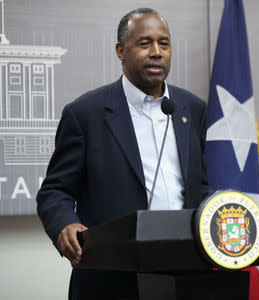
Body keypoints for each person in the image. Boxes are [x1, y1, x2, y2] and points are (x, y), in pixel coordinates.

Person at [36, 8, 210, 300]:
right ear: (121, 50)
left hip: (185, 271)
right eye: (145, 43)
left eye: (164, 44)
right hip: (111, 277)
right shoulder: (85, 114)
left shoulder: (191, 109)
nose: (156, 52)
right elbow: (54, 191)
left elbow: (199, 184)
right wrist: (65, 223)